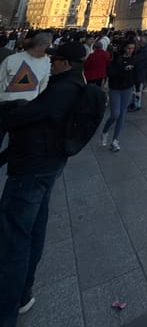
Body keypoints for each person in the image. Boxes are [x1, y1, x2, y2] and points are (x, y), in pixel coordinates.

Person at [0, 40, 87, 324]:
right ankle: (23, 293)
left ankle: (6, 311)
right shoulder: (72, 86)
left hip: (32, 170)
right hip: (47, 166)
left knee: (14, 239)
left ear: (65, 62)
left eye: (56, 58)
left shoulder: (61, 90)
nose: (51, 61)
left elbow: (23, 118)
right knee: (34, 229)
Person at [101, 40, 136, 152]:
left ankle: (115, 141)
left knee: (122, 114)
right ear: (124, 48)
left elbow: (137, 73)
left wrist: (137, 87)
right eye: (128, 48)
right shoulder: (116, 59)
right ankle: (105, 131)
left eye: (132, 48)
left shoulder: (134, 60)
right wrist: (123, 69)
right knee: (115, 114)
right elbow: (111, 73)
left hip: (127, 89)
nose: (130, 50)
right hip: (115, 89)